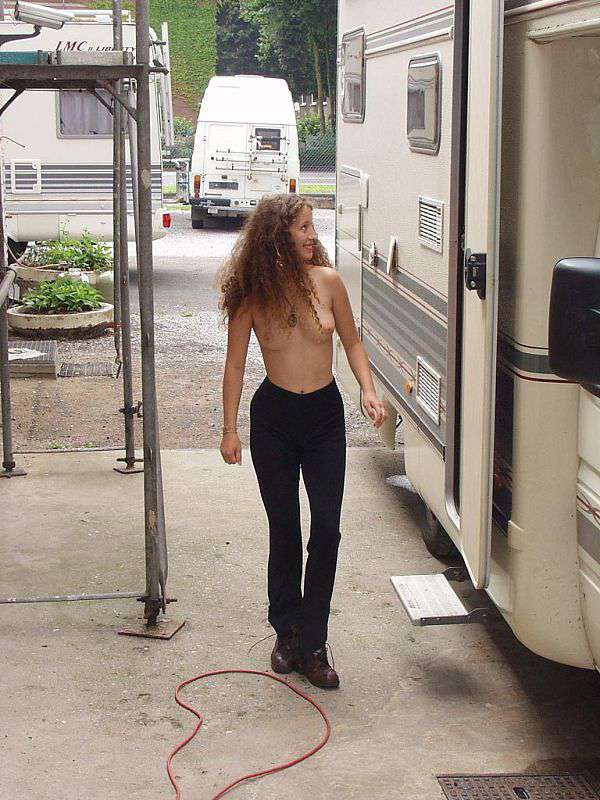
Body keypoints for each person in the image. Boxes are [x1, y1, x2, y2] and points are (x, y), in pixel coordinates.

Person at [218, 194, 386, 689]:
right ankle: (287, 633)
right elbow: (234, 364)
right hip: (273, 419)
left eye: (313, 226)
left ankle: (315, 642)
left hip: (322, 418)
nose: (314, 235)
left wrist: (368, 390)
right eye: (305, 228)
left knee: (327, 529)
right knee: (285, 529)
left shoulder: (329, 282)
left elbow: (352, 341)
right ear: (279, 236)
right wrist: (229, 429)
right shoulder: (253, 294)